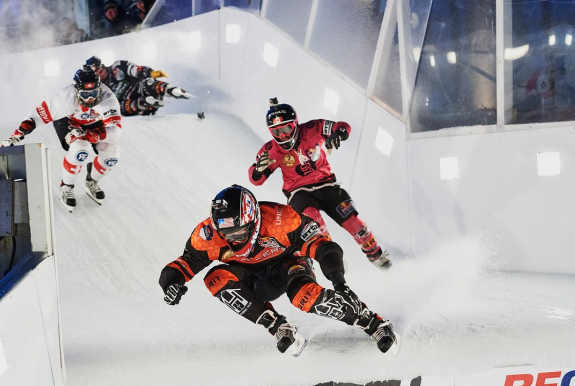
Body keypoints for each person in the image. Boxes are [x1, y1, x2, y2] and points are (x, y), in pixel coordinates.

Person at [159, 185, 399, 356]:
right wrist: (171, 283)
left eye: (239, 232)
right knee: (215, 278)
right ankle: (276, 326)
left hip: (288, 263)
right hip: (253, 277)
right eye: (226, 234)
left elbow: (324, 248)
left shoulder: (283, 220)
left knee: (304, 297)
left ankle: (372, 322)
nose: (232, 240)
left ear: (254, 220)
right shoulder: (208, 235)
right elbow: (183, 264)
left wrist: (339, 283)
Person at [248, 98, 393, 270]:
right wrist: (258, 170)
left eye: (286, 129)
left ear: (295, 124)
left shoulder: (312, 129)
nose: (283, 136)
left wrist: (337, 134)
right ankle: (332, 256)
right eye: (276, 132)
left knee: (355, 223)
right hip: (298, 193)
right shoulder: (271, 149)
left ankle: (376, 255)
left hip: (327, 185)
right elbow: (256, 180)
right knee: (315, 221)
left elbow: (343, 126)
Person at [1, 67, 123, 212]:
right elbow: (36, 116)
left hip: (95, 124)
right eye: (85, 94)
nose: (90, 98)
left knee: (111, 157)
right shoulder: (65, 98)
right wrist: (17, 135)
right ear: (77, 91)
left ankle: (92, 179)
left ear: (99, 89)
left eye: (94, 93)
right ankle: (66, 185)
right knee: (80, 150)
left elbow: (115, 133)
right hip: (71, 123)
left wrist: (91, 134)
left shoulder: (108, 98)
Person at [84, 55, 194, 116]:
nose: (100, 74)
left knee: (147, 82)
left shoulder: (117, 67)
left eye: (100, 70)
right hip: (130, 106)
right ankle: (142, 104)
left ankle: (171, 90)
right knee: (117, 107)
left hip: (140, 88)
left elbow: (135, 69)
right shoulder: (100, 90)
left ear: (102, 66)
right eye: (97, 74)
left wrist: (150, 72)